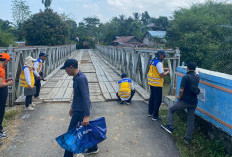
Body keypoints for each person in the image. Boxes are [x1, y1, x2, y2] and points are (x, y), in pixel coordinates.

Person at [60, 59, 98, 157]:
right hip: (77, 109)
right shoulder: (76, 77)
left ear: (71, 67)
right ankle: (93, 147)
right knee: (83, 130)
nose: (65, 71)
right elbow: (77, 96)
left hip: (80, 111)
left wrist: (86, 115)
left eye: (66, 69)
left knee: (71, 133)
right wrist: (72, 106)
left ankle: (67, 155)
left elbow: (86, 97)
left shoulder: (80, 79)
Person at [161, 62, 200, 143]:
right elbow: (197, 73)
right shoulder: (197, 76)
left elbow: (181, 90)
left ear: (187, 68)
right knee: (190, 119)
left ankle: (170, 127)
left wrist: (179, 98)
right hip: (194, 102)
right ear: (195, 69)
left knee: (171, 109)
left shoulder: (186, 77)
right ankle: (187, 138)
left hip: (185, 101)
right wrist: (196, 71)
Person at [148, 50, 169, 121]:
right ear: (160, 55)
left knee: (152, 97)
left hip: (151, 82)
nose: (164, 57)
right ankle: (155, 116)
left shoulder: (152, 61)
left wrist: (163, 68)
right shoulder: (159, 63)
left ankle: (150, 112)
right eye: (163, 55)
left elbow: (155, 69)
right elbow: (161, 74)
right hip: (157, 84)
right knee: (158, 100)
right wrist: (166, 72)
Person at [0, 53, 14, 140]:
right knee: (1, 111)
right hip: (1, 92)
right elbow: (0, 84)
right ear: (5, 60)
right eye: (7, 61)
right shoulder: (1, 70)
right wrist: (8, 83)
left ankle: (0, 129)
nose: (7, 63)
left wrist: (5, 80)